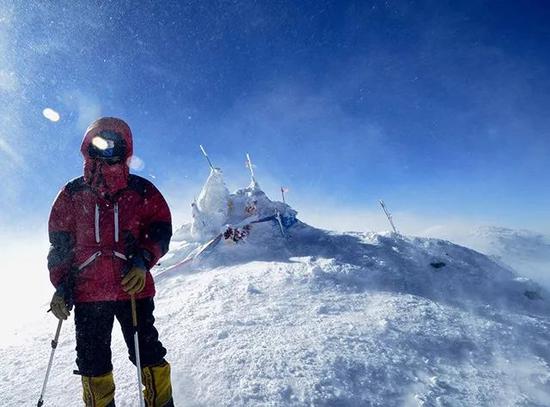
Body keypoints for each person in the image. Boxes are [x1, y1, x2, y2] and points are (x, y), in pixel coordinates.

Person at [47, 117, 174, 407]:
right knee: (93, 363)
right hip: (88, 293)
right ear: (87, 148)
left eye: (112, 144)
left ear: (125, 148)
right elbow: (60, 244)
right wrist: (62, 285)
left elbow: (160, 228)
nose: (105, 151)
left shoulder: (141, 191)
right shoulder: (72, 194)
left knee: (148, 353)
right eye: (98, 144)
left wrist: (143, 260)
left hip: (134, 288)